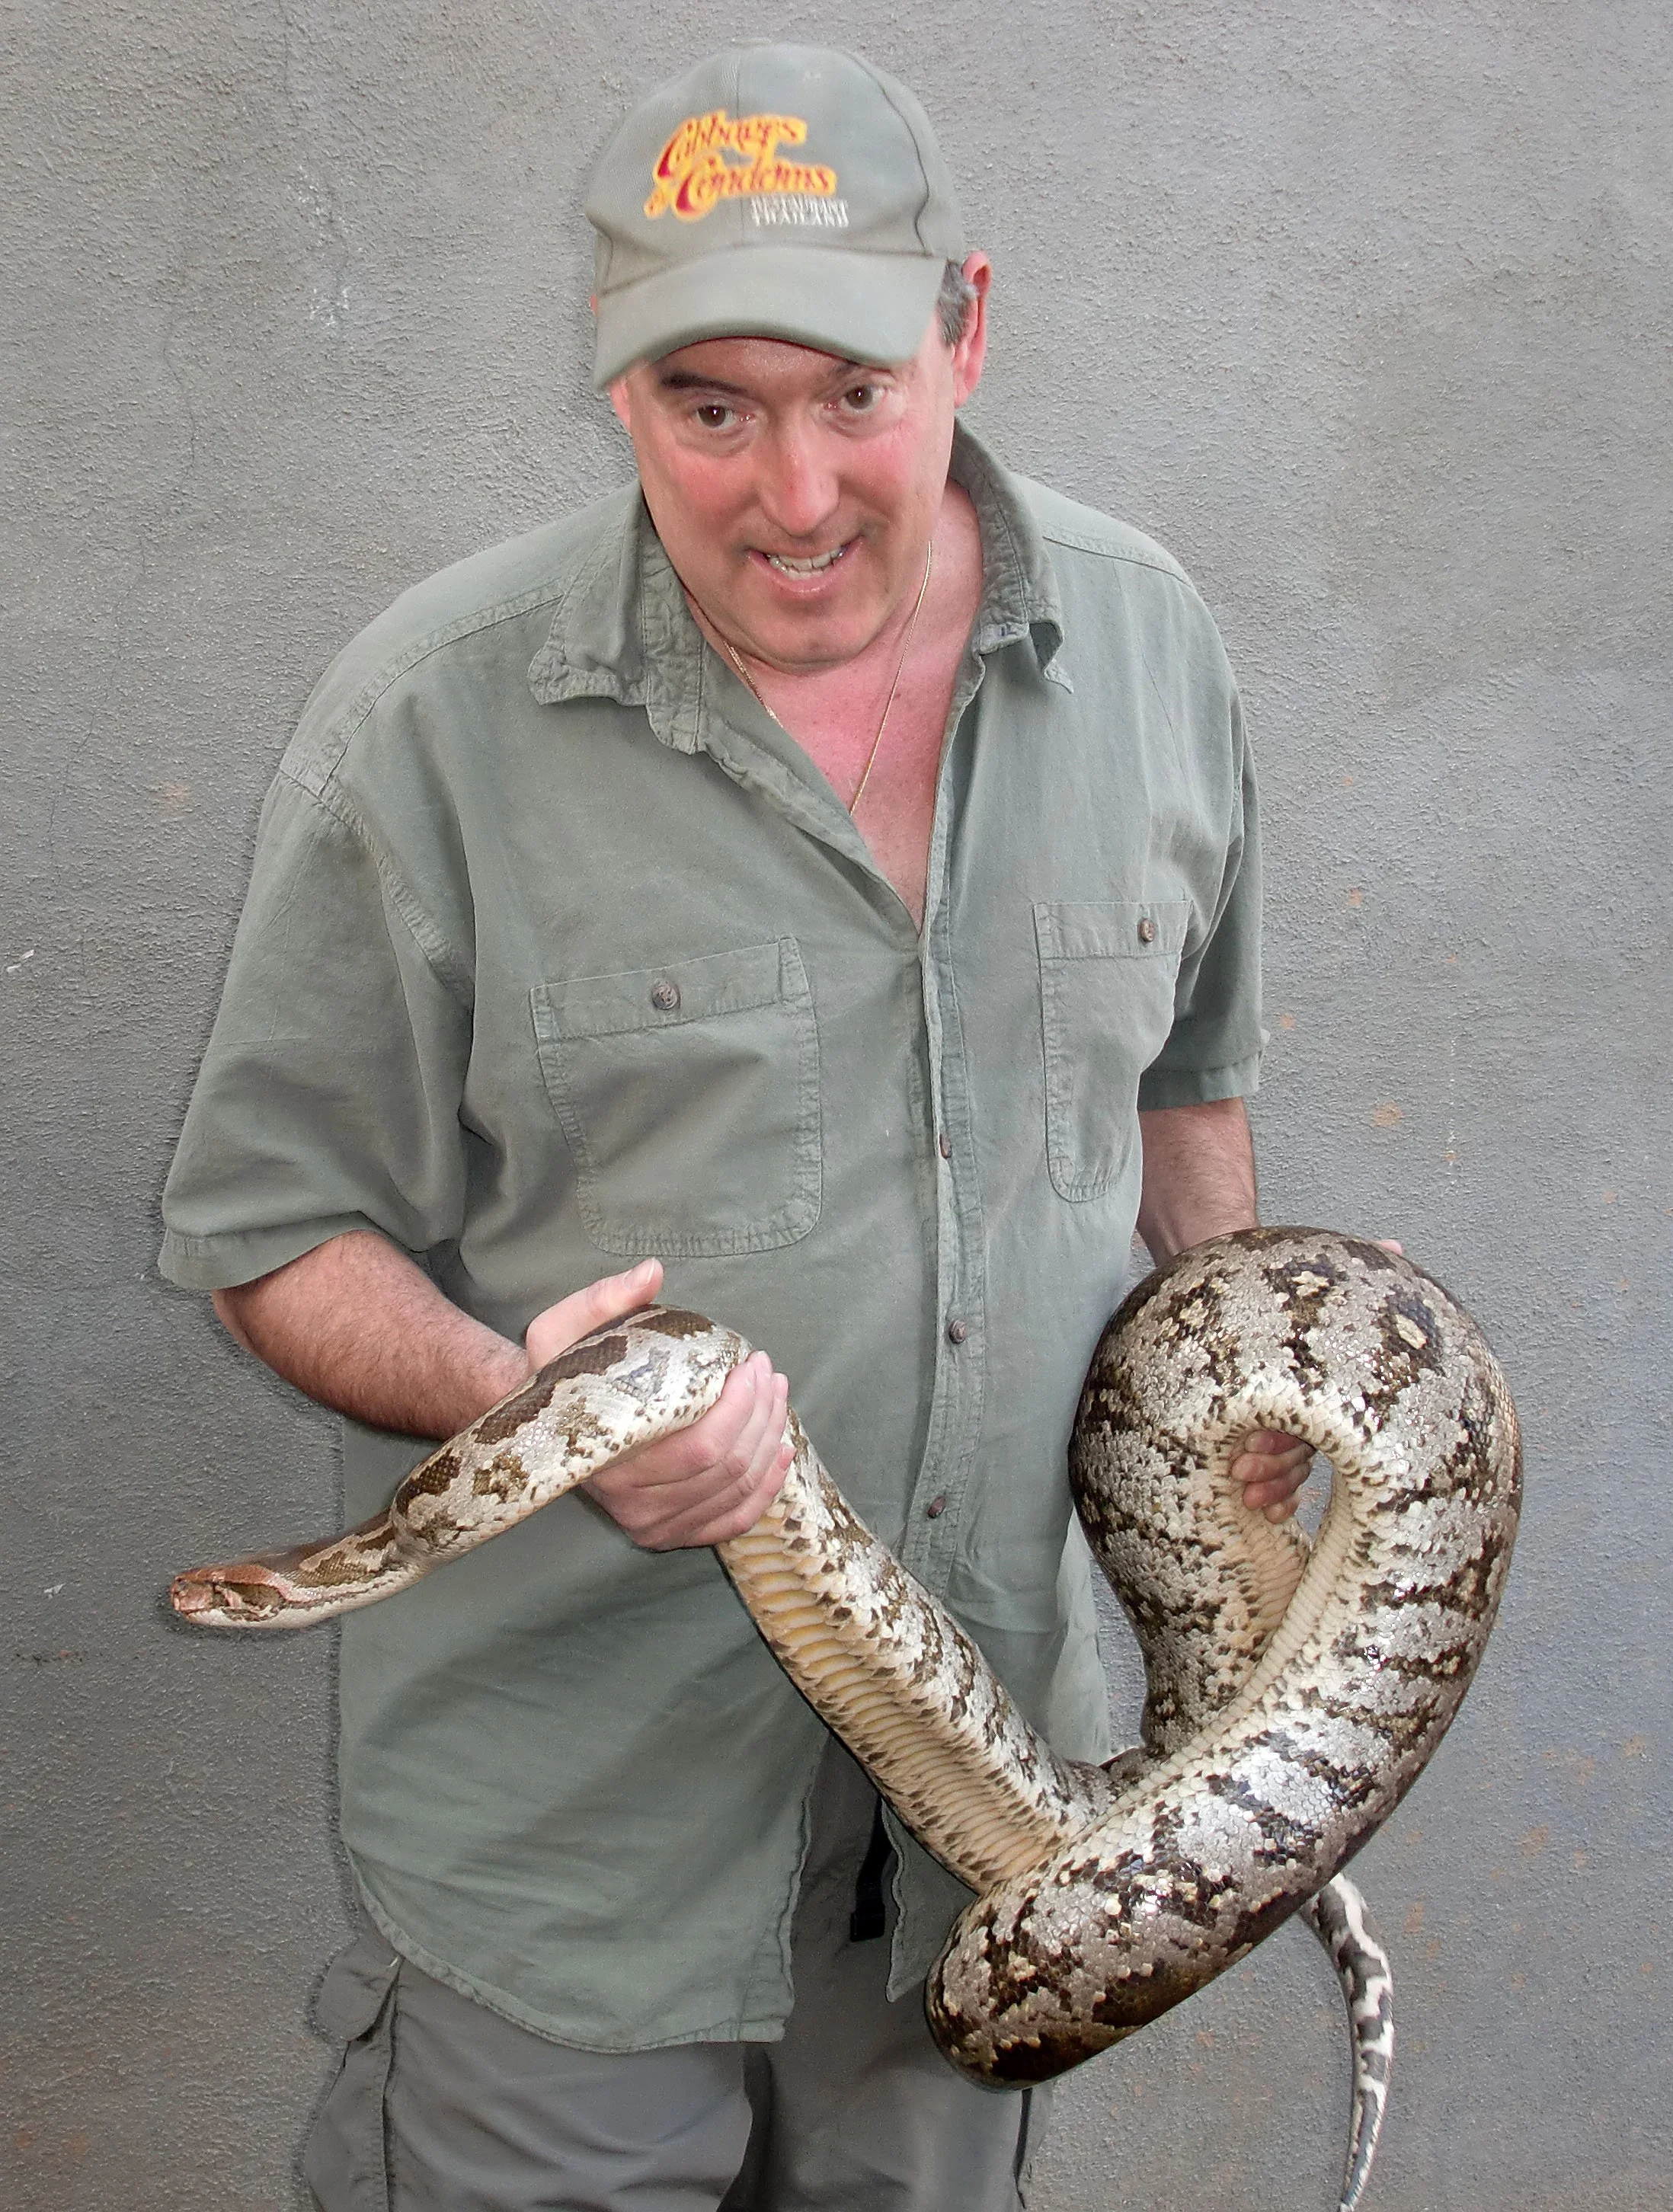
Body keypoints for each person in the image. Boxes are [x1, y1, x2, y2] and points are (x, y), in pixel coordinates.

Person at [160, 42, 1314, 2212]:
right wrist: (527, 1406)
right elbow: (265, 1228)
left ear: (965, 330)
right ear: (616, 385)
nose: (790, 493)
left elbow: (1182, 1090)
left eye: (853, 394)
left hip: (982, 1841)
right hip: (577, 1839)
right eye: (710, 409)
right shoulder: (433, 716)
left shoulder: (1151, 648)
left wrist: (1249, 1473)